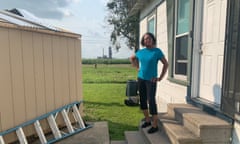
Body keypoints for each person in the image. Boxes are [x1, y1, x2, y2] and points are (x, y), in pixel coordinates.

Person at [130, 32, 168, 134]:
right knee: (142, 100)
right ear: (143, 41)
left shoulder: (157, 51)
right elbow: (132, 58)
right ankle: (147, 120)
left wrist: (160, 77)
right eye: (146, 39)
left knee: (151, 100)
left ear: (153, 40)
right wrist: (138, 68)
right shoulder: (141, 52)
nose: (148, 40)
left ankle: (155, 125)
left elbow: (166, 64)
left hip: (151, 80)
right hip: (141, 79)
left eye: (149, 38)